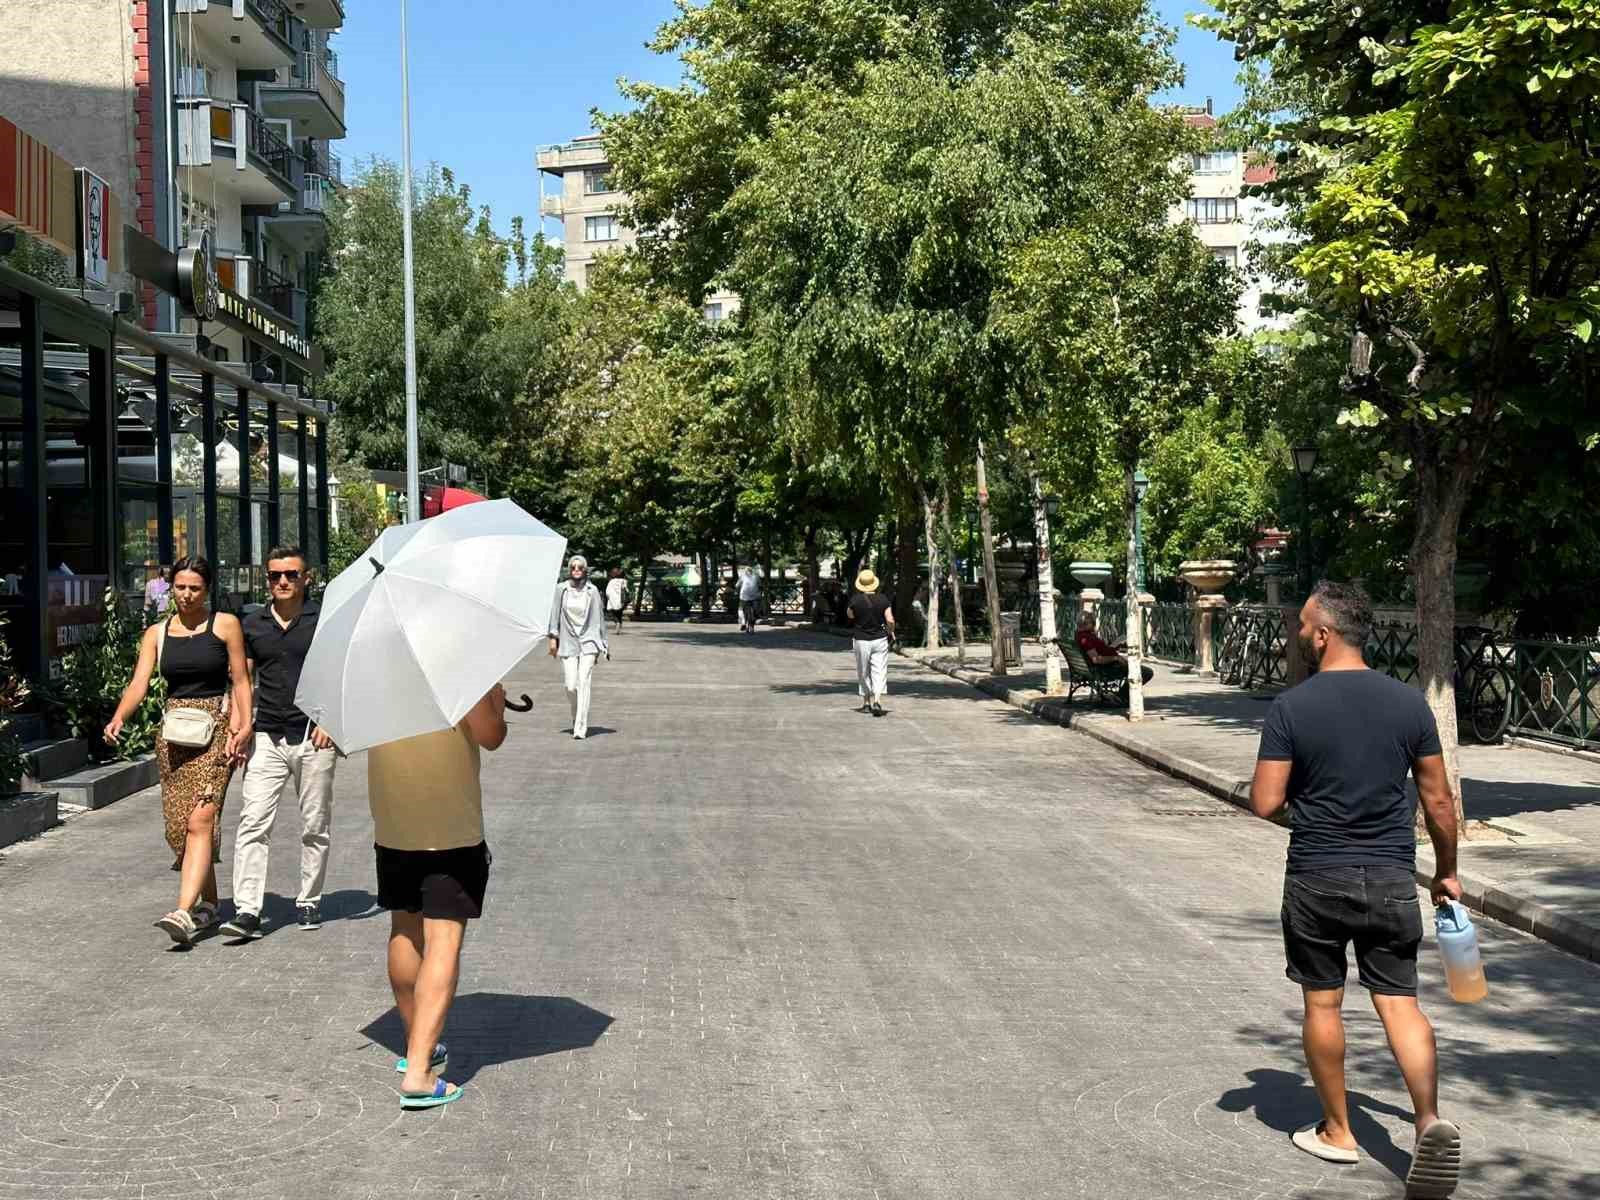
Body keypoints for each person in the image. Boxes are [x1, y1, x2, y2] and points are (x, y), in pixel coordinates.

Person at [1248, 581, 1463, 1197]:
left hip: (1317, 874)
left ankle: (1339, 1132)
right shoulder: (1408, 705)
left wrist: (1312, 813)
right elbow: (1440, 802)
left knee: (1322, 1003)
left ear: (1324, 634)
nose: (1299, 635)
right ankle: (1426, 1124)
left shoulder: (1292, 707)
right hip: (1392, 876)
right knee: (1400, 1002)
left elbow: (1265, 802)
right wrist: (1446, 871)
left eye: (1304, 626)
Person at [369, 682, 507, 1110]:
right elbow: (491, 736)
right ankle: (418, 1073)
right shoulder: (460, 665)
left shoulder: (376, 660)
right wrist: (494, 701)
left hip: (393, 820)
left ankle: (417, 1045)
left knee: (404, 928)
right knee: (443, 938)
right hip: (448, 823)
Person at [104, 556, 253, 944]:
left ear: (207, 590)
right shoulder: (157, 632)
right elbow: (139, 681)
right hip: (173, 734)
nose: (186, 595)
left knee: (200, 821)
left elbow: (240, 680)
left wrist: (245, 724)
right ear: (171, 587)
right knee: (180, 828)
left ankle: (184, 911)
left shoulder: (225, 625)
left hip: (215, 731)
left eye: (195, 588)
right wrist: (120, 716)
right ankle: (211, 904)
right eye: (180, 587)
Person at [220, 547, 338, 940]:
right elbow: (242, 680)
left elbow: (342, 671)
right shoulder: (252, 624)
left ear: (307, 577)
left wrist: (332, 721)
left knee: (314, 824)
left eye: (290, 574)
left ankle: (309, 900)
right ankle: (248, 910)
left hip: (312, 735)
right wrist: (240, 724)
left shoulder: (323, 619)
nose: (282, 582)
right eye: (274, 576)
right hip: (266, 736)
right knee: (253, 822)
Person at [547, 555, 609, 740]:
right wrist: (552, 638)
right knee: (571, 686)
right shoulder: (561, 589)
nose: (576, 570)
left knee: (584, 682)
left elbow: (600, 618)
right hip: (567, 641)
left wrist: (602, 644)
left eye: (580, 567)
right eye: (573, 567)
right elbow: (554, 615)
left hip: (589, 641)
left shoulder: (593, 591)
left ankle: (581, 728)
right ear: (569, 569)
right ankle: (576, 717)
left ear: (585, 570)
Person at [846, 569, 895, 717]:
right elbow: (890, 619)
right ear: (874, 583)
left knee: (863, 670)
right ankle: (878, 700)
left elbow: (850, 615)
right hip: (880, 639)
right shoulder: (883, 599)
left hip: (861, 639)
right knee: (879, 670)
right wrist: (890, 631)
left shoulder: (855, 600)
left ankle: (866, 702)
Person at [1074, 610, 1154, 685]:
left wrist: (1113, 647)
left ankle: (1122, 696)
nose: (1094, 626)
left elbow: (1099, 651)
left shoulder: (1081, 635)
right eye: (1093, 623)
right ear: (1085, 624)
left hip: (1101, 667)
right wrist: (1115, 658)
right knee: (1146, 672)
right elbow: (1096, 659)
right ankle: (1122, 696)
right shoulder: (1086, 639)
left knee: (1136, 667)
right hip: (1104, 670)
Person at [604, 567, 629, 635]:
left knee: (612, 614)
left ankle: (617, 622)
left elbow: (607, 592)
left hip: (612, 601)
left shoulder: (611, 582)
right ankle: (619, 624)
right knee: (619, 614)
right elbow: (627, 591)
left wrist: (608, 598)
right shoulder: (624, 581)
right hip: (621, 601)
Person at [737, 566, 762, 633]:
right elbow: (760, 585)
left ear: (745, 571)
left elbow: (737, 585)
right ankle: (757, 614)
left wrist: (737, 589)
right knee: (755, 610)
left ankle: (743, 622)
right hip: (755, 596)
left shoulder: (743, 576)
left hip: (744, 596)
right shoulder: (756, 576)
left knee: (740, 608)